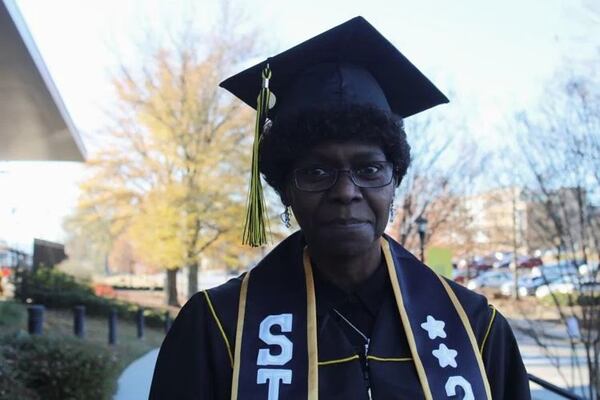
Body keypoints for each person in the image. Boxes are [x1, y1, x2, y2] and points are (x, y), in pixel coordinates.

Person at [149, 17, 531, 400]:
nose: (346, 191)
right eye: (316, 171)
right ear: (285, 190)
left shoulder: (475, 328)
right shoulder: (217, 329)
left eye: (369, 169)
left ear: (395, 181)